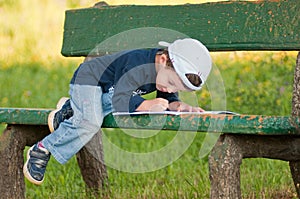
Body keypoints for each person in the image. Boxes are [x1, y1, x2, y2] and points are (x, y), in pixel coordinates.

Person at [23, 38, 212, 185]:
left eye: (175, 88)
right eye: (171, 83)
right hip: (88, 81)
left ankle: (69, 111)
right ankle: (43, 149)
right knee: (90, 122)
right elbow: (120, 97)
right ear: (163, 60)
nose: (170, 89)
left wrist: (178, 105)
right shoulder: (137, 63)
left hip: (107, 93)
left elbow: (168, 97)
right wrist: (147, 105)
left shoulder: (163, 72)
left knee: (96, 110)